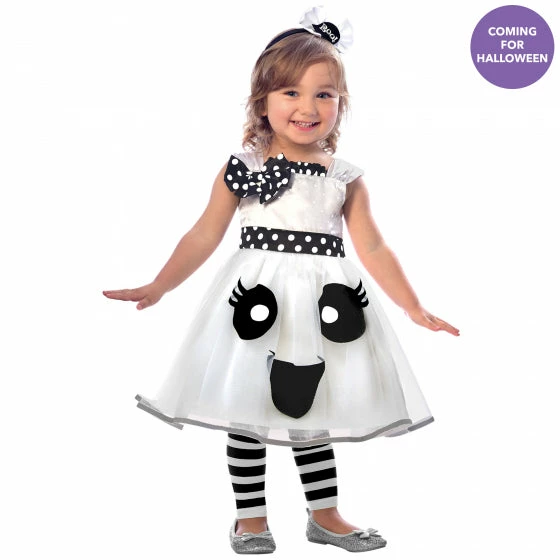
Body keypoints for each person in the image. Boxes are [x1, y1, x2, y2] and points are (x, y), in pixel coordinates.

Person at [103, 6, 459, 554]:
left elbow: (372, 246)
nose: (307, 107)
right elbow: (203, 234)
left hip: (320, 310)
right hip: (256, 306)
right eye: (291, 92)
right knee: (247, 409)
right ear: (262, 101)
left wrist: (412, 305)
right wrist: (159, 285)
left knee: (310, 408)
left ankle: (325, 515)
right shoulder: (243, 166)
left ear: (342, 104)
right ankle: (250, 518)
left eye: (324, 94)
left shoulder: (345, 177)